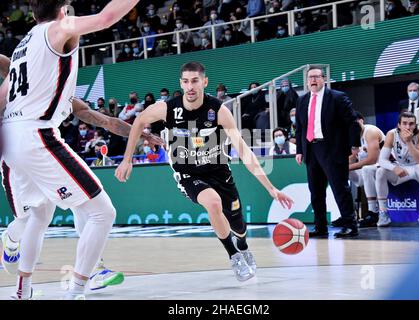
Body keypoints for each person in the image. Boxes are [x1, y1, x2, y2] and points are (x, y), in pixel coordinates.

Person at [0, 0, 143, 300]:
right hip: (35, 134)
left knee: (39, 214)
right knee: (103, 213)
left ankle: (21, 291)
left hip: (10, 137)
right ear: (64, 10)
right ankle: (77, 290)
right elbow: (107, 17)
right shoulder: (59, 28)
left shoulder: (22, 48)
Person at [115, 61, 293, 282]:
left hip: (219, 171)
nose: (190, 86)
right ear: (181, 83)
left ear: (204, 82)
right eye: (186, 81)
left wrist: (271, 188)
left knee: (238, 224)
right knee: (213, 203)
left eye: (195, 81)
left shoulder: (218, 110)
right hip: (188, 174)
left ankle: (244, 247)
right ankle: (234, 255)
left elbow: (244, 151)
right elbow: (139, 121)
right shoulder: (167, 108)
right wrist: (127, 158)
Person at [295, 66, 361, 238]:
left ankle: (350, 225)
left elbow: (352, 122)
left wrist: (354, 145)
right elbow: (300, 128)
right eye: (310, 77)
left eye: (317, 76)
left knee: (340, 188)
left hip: (332, 149)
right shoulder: (302, 100)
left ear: (324, 78)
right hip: (311, 149)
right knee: (316, 191)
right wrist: (299, 150)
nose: (313, 80)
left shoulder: (337, 97)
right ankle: (320, 227)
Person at [375, 112, 419, 227]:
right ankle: (383, 214)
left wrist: (409, 142)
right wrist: (394, 167)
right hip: (401, 167)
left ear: (415, 125)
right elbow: (382, 160)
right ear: (399, 125)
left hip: (418, 168)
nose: (408, 127)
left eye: (411, 124)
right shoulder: (391, 134)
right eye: (405, 123)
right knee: (380, 171)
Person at [346, 111, 385, 228]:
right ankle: (348, 213)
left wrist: (349, 166)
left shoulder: (370, 132)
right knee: (338, 171)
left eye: (354, 122)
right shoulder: (353, 136)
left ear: (361, 120)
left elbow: (373, 159)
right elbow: (352, 158)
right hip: (370, 172)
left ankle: (373, 212)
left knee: (366, 169)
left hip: (385, 166)